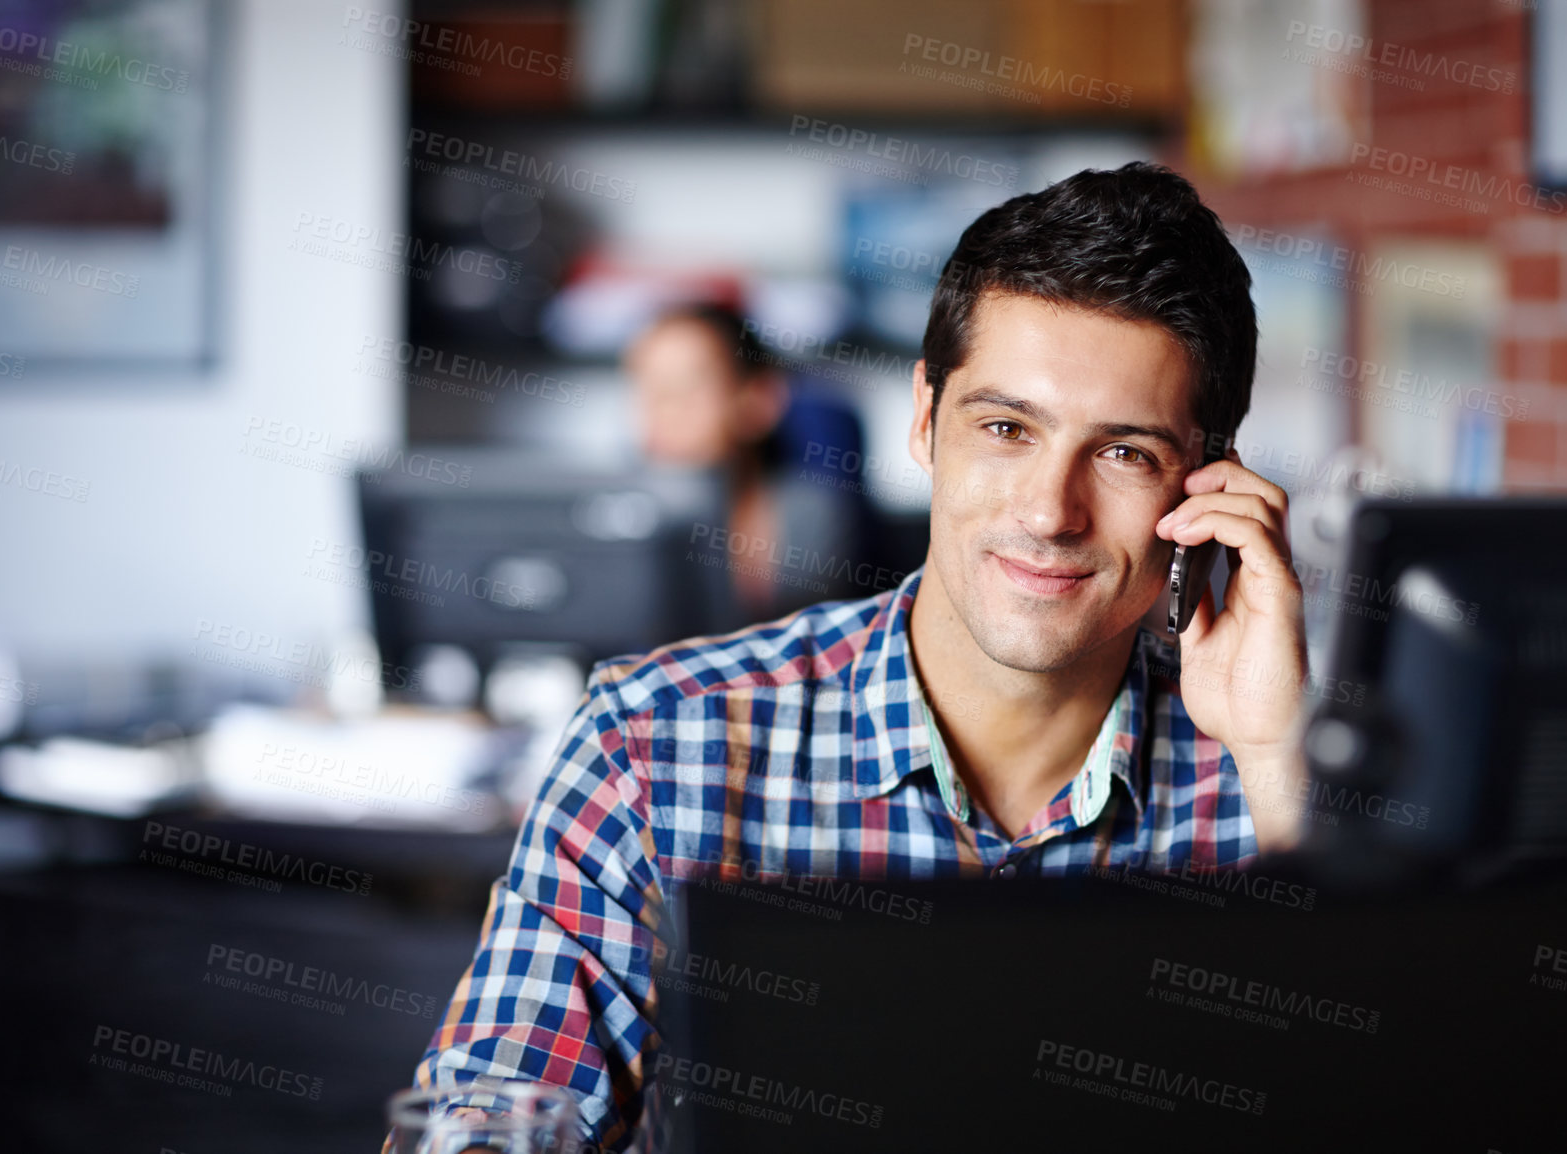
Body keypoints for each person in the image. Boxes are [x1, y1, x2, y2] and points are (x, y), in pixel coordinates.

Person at [407, 163, 1309, 1149]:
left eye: (1123, 451)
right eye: (1005, 428)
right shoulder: (654, 745)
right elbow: (489, 1118)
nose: (1050, 510)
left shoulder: (1271, 778)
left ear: (1208, 479)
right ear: (925, 419)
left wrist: (1276, 763)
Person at [625, 301, 878, 621]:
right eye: (648, 387)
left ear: (759, 399)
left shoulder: (813, 522)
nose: (663, 410)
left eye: (688, 385)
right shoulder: (616, 522)